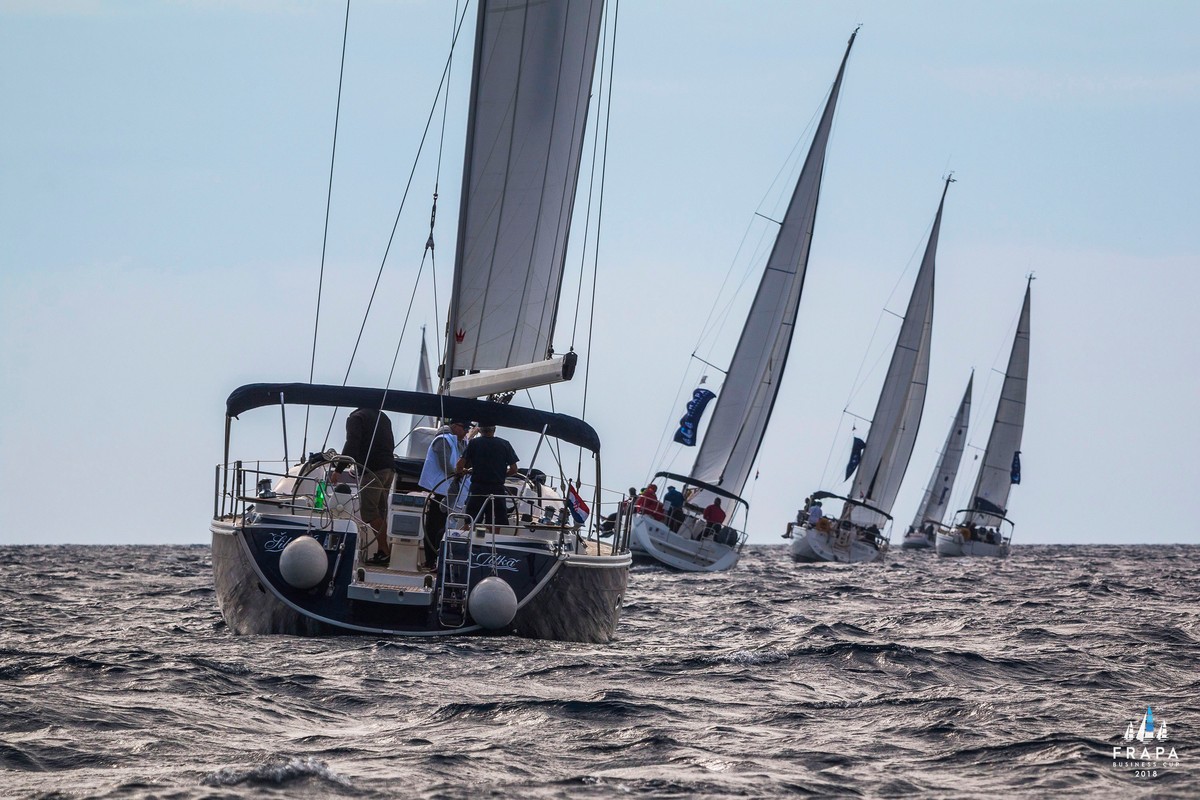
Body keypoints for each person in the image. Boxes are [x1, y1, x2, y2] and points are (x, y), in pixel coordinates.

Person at [330, 407, 395, 565]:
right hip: (389, 469)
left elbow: (351, 445)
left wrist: (338, 470)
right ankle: (382, 552)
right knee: (380, 511)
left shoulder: (356, 418)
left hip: (372, 471)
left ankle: (384, 551)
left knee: (369, 512)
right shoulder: (383, 416)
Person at [418, 418, 470, 567]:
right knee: (435, 525)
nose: (466, 431)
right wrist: (459, 472)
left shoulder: (458, 441)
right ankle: (431, 559)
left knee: (445, 525)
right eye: (464, 427)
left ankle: (439, 558)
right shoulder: (443, 440)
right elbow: (445, 465)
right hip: (439, 490)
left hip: (449, 490)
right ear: (454, 425)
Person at [456, 425, 519, 527]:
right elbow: (514, 469)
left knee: (471, 521)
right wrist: (502, 475)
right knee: (495, 523)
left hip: (478, 489)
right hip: (497, 489)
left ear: (480, 430)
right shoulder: (505, 444)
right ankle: (495, 540)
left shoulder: (474, 443)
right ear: (494, 430)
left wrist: (463, 471)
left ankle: (469, 538)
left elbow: (459, 465)